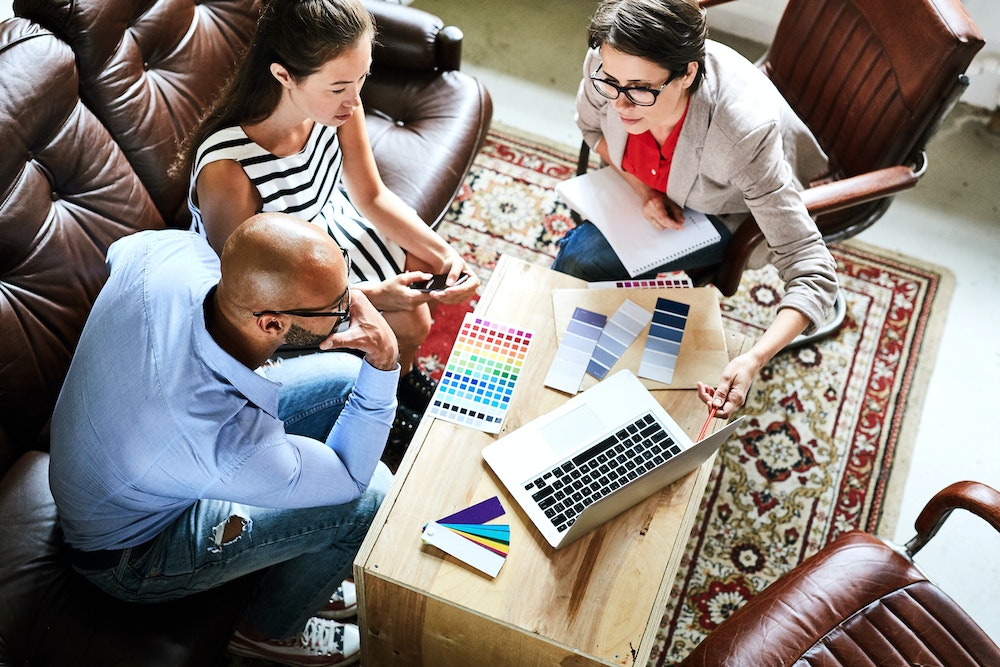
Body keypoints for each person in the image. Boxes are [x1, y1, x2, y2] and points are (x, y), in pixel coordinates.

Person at [50, 212, 399, 666]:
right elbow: (352, 480)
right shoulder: (220, 440)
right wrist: (386, 360)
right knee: (372, 500)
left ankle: (300, 569)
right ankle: (268, 630)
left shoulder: (174, 252)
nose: (350, 308)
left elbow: (122, 254)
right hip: (128, 556)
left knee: (346, 376)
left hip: (136, 463)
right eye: (337, 306)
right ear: (271, 324)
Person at [172, 0, 479, 425]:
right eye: (338, 87)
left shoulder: (337, 108)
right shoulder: (230, 171)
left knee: (422, 298)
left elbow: (371, 196)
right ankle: (382, 404)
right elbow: (247, 301)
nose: (355, 101)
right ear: (283, 76)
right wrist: (371, 296)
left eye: (362, 80)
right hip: (286, 282)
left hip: (332, 228)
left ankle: (398, 381)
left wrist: (447, 254)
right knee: (407, 320)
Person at [553, 0, 839, 419]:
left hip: (723, 206)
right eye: (611, 84)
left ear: (688, 72)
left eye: (640, 89)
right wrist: (644, 188)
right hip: (657, 189)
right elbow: (591, 126)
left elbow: (813, 270)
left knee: (581, 261)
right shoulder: (608, 62)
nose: (621, 105)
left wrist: (754, 358)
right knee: (579, 264)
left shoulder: (741, 134)